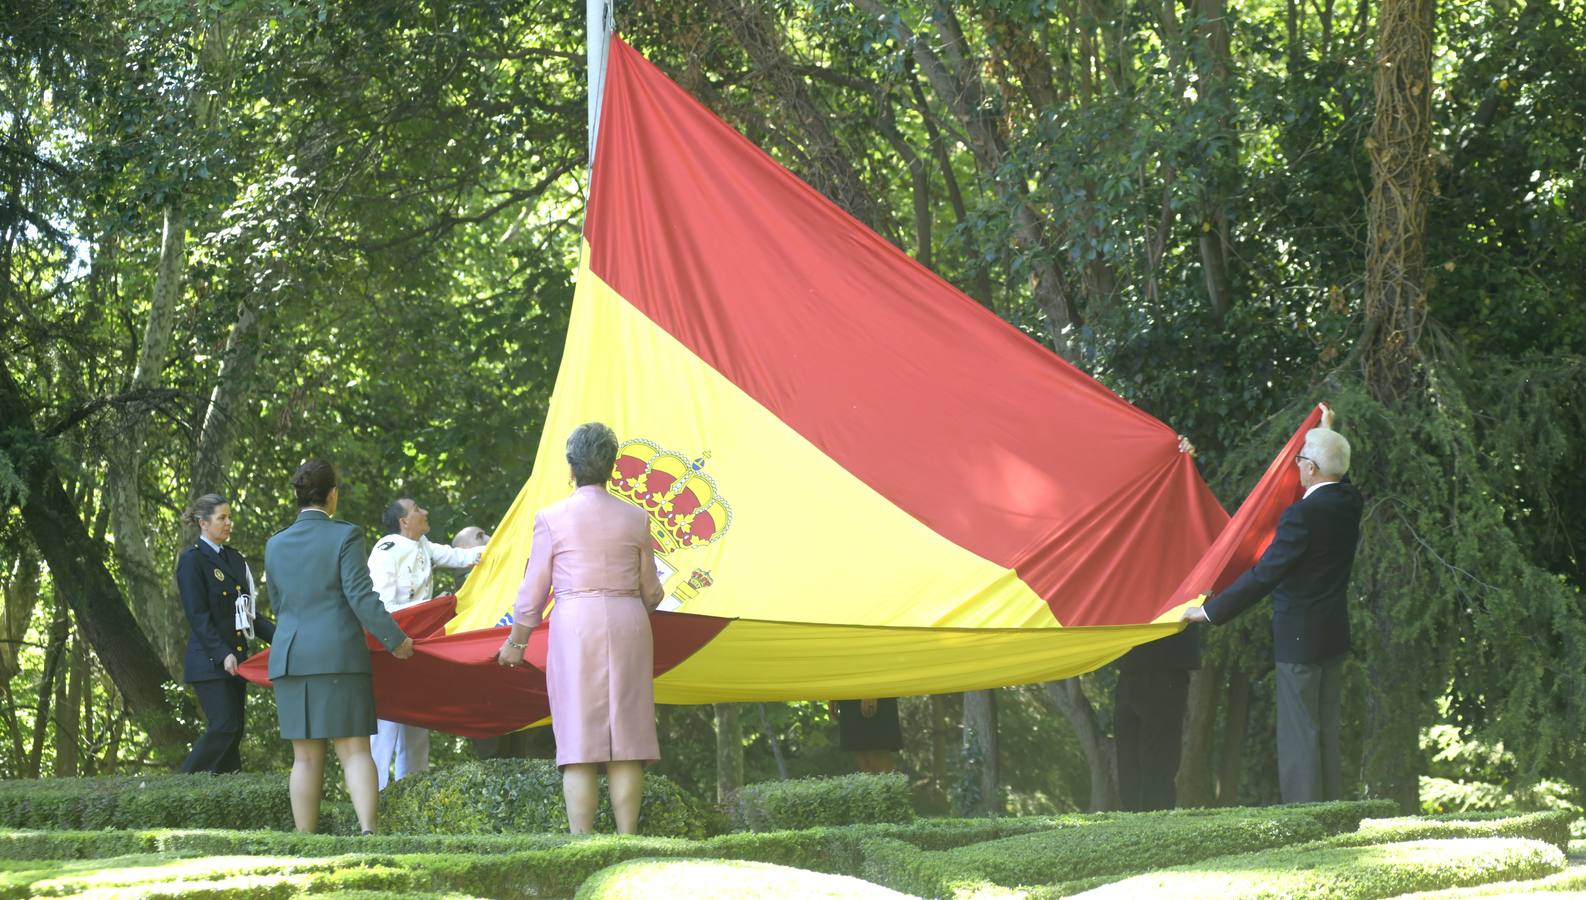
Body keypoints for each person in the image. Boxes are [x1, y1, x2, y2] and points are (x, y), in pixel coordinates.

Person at [1182, 406, 1361, 804]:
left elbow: (1266, 574)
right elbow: (1339, 473)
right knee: (1325, 731)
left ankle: (1305, 818)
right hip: (1333, 635)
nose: (1297, 467)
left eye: (1301, 461)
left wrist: (1210, 611)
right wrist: (1326, 431)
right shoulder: (1350, 502)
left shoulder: (1302, 515)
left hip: (1300, 640)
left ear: (1312, 469)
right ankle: (1332, 813)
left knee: (1300, 734)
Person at [496, 422, 664, 834]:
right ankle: (627, 840)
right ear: (611, 467)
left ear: (571, 468)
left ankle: (581, 843)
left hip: (575, 625)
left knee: (578, 741)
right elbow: (653, 592)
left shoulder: (551, 518)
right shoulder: (636, 517)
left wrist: (516, 643)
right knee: (628, 739)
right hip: (628, 621)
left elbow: (533, 592)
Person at [265, 459, 415, 833]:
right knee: (354, 750)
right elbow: (361, 597)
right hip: (338, 657)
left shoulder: (275, 543)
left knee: (304, 759)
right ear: (332, 495)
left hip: (291, 658)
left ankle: (305, 842)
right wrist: (396, 640)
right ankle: (368, 832)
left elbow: (278, 605)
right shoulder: (345, 535)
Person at [366, 498, 486, 790]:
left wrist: (502, 547)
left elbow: (459, 556)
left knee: (416, 727)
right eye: (418, 509)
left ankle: (411, 797)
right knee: (384, 729)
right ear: (404, 522)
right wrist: (425, 609)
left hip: (418, 649)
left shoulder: (424, 545)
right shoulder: (385, 551)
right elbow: (381, 605)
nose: (425, 511)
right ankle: (374, 799)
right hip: (389, 650)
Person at [176, 493, 275, 774]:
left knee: (234, 733)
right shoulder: (192, 561)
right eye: (222, 518)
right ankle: (180, 788)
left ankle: (225, 797)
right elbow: (198, 617)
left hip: (237, 661)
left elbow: (248, 615)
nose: (229, 523)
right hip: (210, 662)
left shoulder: (234, 559)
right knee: (224, 727)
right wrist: (222, 654)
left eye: (229, 517)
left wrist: (283, 638)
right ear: (203, 523)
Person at [1113, 628, 1198, 811]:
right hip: (1129, 663)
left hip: (1166, 663)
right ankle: (1134, 822)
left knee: (1159, 763)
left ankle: (1154, 825)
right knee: (1128, 761)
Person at [831, 698, 902, 773]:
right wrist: (834, 696)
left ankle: (885, 784)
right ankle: (869, 784)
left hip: (877, 694)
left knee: (877, 753)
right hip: (848, 696)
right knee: (862, 755)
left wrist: (870, 693)